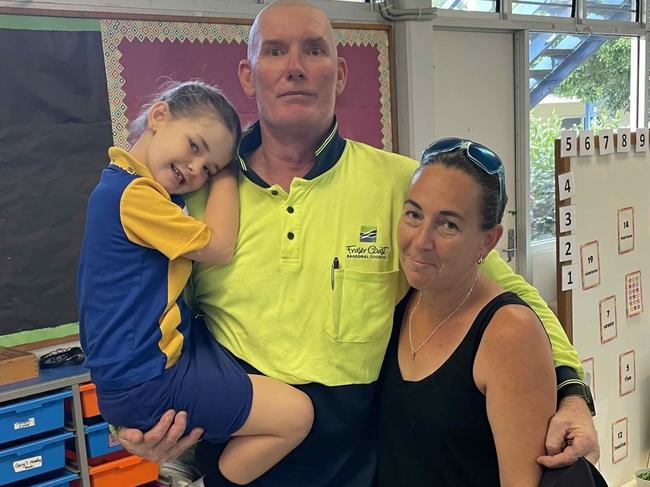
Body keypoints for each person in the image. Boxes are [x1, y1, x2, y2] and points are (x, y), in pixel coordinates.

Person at [116, 2, 599, 485]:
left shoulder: (398, 186)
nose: (295, 68)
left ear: (340, 74)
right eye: (276, 51)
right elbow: (137, 309)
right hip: (232, 466)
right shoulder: (194, 195)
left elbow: (504, 295)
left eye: (314, 51)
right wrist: (133, 414)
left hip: (355, 471)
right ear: (247, 74)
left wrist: (572, 390)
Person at [77, 80, 313, 485]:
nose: (195, 169)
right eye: (195, 146)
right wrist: (229, 171)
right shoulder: (134, 197)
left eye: (207, 169)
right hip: (148, 383)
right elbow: (219, 247)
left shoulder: (122, 188)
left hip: (141, 375)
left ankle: (183, 465)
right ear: (159, 116)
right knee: (297, 416)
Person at [376, 138, 557, 487]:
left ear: (487, 241)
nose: (421, 240)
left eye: (448, 225)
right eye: (414, 214)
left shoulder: (509, 333)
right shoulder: (400, 301)